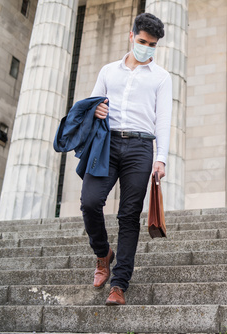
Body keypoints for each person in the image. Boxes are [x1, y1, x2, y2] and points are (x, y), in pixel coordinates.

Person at [80, 13, 172, 306]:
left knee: (129, 216)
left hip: (141, 148)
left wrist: (162, 158)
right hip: (106, 145)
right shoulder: (108, 71)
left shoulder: (161, 77)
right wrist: (96, 111)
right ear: (131, 36)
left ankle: (119, 284)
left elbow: (164, 121)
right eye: (142, 41)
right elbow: (92, 104)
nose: (146, 47)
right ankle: (102, 253)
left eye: (152, 44)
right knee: (90, 201)